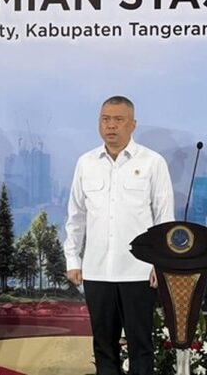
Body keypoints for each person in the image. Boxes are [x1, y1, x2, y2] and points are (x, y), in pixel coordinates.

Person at [64, 95, 174, 375]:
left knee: (141, 346)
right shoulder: (86, 163)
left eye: (118, 120)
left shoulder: (153, 162)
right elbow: (76, 216)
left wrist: (159, 263)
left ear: (133, 125)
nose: (110, 126)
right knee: (103, 347)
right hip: (97, 271)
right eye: (105, 119)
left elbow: (164, 218)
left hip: (138, 272)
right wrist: (73, 260)